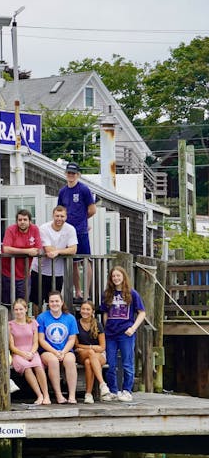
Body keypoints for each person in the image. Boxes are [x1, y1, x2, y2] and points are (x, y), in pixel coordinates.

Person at [100, 265, 146, 402]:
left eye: (118, 276)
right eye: (113, 276)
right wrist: (106, 327)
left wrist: (133, 328)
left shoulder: (132, 293)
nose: (116, 278)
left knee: (127, 363)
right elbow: (105, 313)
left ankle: (127, 390)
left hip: (126, 333)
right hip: (111, 334)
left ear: (123, 277)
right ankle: (113, 391)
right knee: (111, 363)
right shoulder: (107, 293)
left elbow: (142, 313)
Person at [58, 162, 97, 300]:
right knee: (73, 262)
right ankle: (78, 292)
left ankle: (86, 293)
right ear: (65, 174)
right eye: (69, 173)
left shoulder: (84, 189)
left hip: (81, 231)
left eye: (73, 173)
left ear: (78, 175)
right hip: (68, 232)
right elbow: (60, 211)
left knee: (85, 260)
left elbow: (92, 209)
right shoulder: (62, 191)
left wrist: (83, 220)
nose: (71, 175)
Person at [37, 290, 78, 404]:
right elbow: (41, 339)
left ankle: (72, 395)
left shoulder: (70, 318)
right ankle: (58, 395)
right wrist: (55, 352)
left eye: (56, 301)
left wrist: (63, 352)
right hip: (48, 351)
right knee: (53, 361)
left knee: (70, 361)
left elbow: (72, 339)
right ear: (48, 303)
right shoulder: (42, 317)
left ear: (62, 302)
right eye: (51, 301)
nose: (54, 304)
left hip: (65, 350)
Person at [9, 297, 50, 405]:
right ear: (13, 311)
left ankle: (46, 395)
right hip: (18, 353)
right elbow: (12, 346)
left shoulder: (33, 323)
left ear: (26, 309)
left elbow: (36, 342)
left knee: (38, 365)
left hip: (32, 351)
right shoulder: (10, 325)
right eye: (16, 310)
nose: (18, 312)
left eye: (21, 309)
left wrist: (31, 353)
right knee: (27, 367)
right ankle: (39, 395)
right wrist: (22, 354)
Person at [36, 206, 78, 310]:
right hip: (39, 269)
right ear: (53, 216)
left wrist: (58, 251)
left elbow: (73, 249)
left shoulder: (70, 229)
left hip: (59, 271)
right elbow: (48, 250)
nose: (59, 218)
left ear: (66, 217)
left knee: (54, 300)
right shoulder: (44, 228)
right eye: (57, 216)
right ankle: (38, 324)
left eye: (62, 216)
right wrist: (64, 250)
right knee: (37, 300)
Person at [1, 209, 41, 304]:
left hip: (25, 274)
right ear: (16, 221)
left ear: (30, 221)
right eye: (20, 220)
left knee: (24, 303)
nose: (22, 222)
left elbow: (37, 250)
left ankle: (23, 319)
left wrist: (16, 250)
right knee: (8, 303)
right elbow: (6, 249)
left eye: (25, 219)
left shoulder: (34, 229)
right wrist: (27, 251)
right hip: (8, 273)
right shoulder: (11, 229)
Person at [76, 299, 109, 404]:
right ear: (80, 310)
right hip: (81, 354)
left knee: (88, 362)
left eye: (88, 309)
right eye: (83, 309)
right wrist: (92, 348)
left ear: (92, 312)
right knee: (90, 354)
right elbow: (76, 345)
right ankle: (102, 384)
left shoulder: (98, 324)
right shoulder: (76, 324)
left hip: (99, 355)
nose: (85, 311)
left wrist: (87, 347)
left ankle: (88, 394)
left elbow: (102, 347)